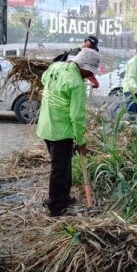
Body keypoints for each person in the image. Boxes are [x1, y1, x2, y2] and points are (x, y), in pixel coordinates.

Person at [36, 48, 100, 216]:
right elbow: (77, 116)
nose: (89, 75)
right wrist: (81, 141)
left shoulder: (55, 67)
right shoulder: (76, 83)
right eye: (89, 71)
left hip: (45, 125)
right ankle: (56, 206)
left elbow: (43, 80)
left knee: (64, 166)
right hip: (61, 132)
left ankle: (63, 197)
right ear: (83, 66)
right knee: (59, 169)